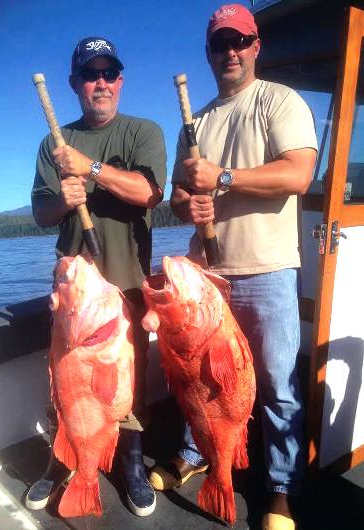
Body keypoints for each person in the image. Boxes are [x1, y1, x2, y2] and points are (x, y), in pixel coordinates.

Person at [148, 4, 317, 530]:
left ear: (255, 45)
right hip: (207, 281)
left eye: (239, 41)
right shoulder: (193, 123)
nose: (230, 52)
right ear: (209, 52)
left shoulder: (279, 102)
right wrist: (187, 206)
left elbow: (298, 175)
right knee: (198, 379)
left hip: (267, 271)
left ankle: (280, 488)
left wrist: (221, 179)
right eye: (220, 44)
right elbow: (178, 195)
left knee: (275, 384)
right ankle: (197, 453)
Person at [27, 35, 166, 517]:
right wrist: (63, 200)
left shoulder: (143, 132)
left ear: (120, 81)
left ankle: (129, 464)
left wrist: (91, 169)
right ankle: (60, 464)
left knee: (129, 386)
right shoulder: (53, 142)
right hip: (73, 290)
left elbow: (149, 193)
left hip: (127, 282)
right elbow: (40, 214)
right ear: (75, 84)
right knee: (65, 383)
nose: (100, 83)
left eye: (108, 73)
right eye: (90, 74)